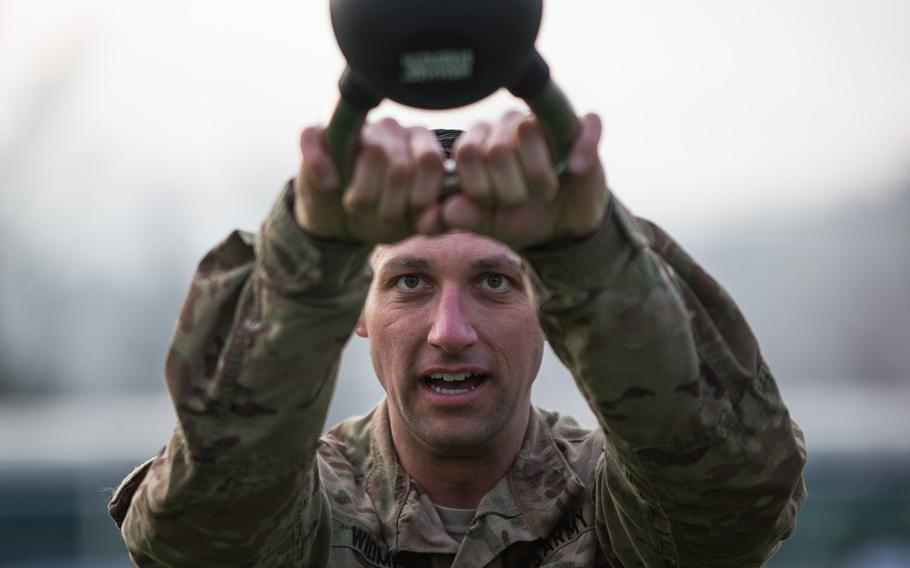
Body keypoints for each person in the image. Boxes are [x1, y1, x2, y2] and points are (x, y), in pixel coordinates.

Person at [108, 110, 806, 567]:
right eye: (410, 281)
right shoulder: (311, 504)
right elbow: (197, 538)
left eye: (496, 282)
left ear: (551, 311)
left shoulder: (608, 500)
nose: (450, 332)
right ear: (358, 308)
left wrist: (588, 253)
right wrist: (311, 256)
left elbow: (731, 494)